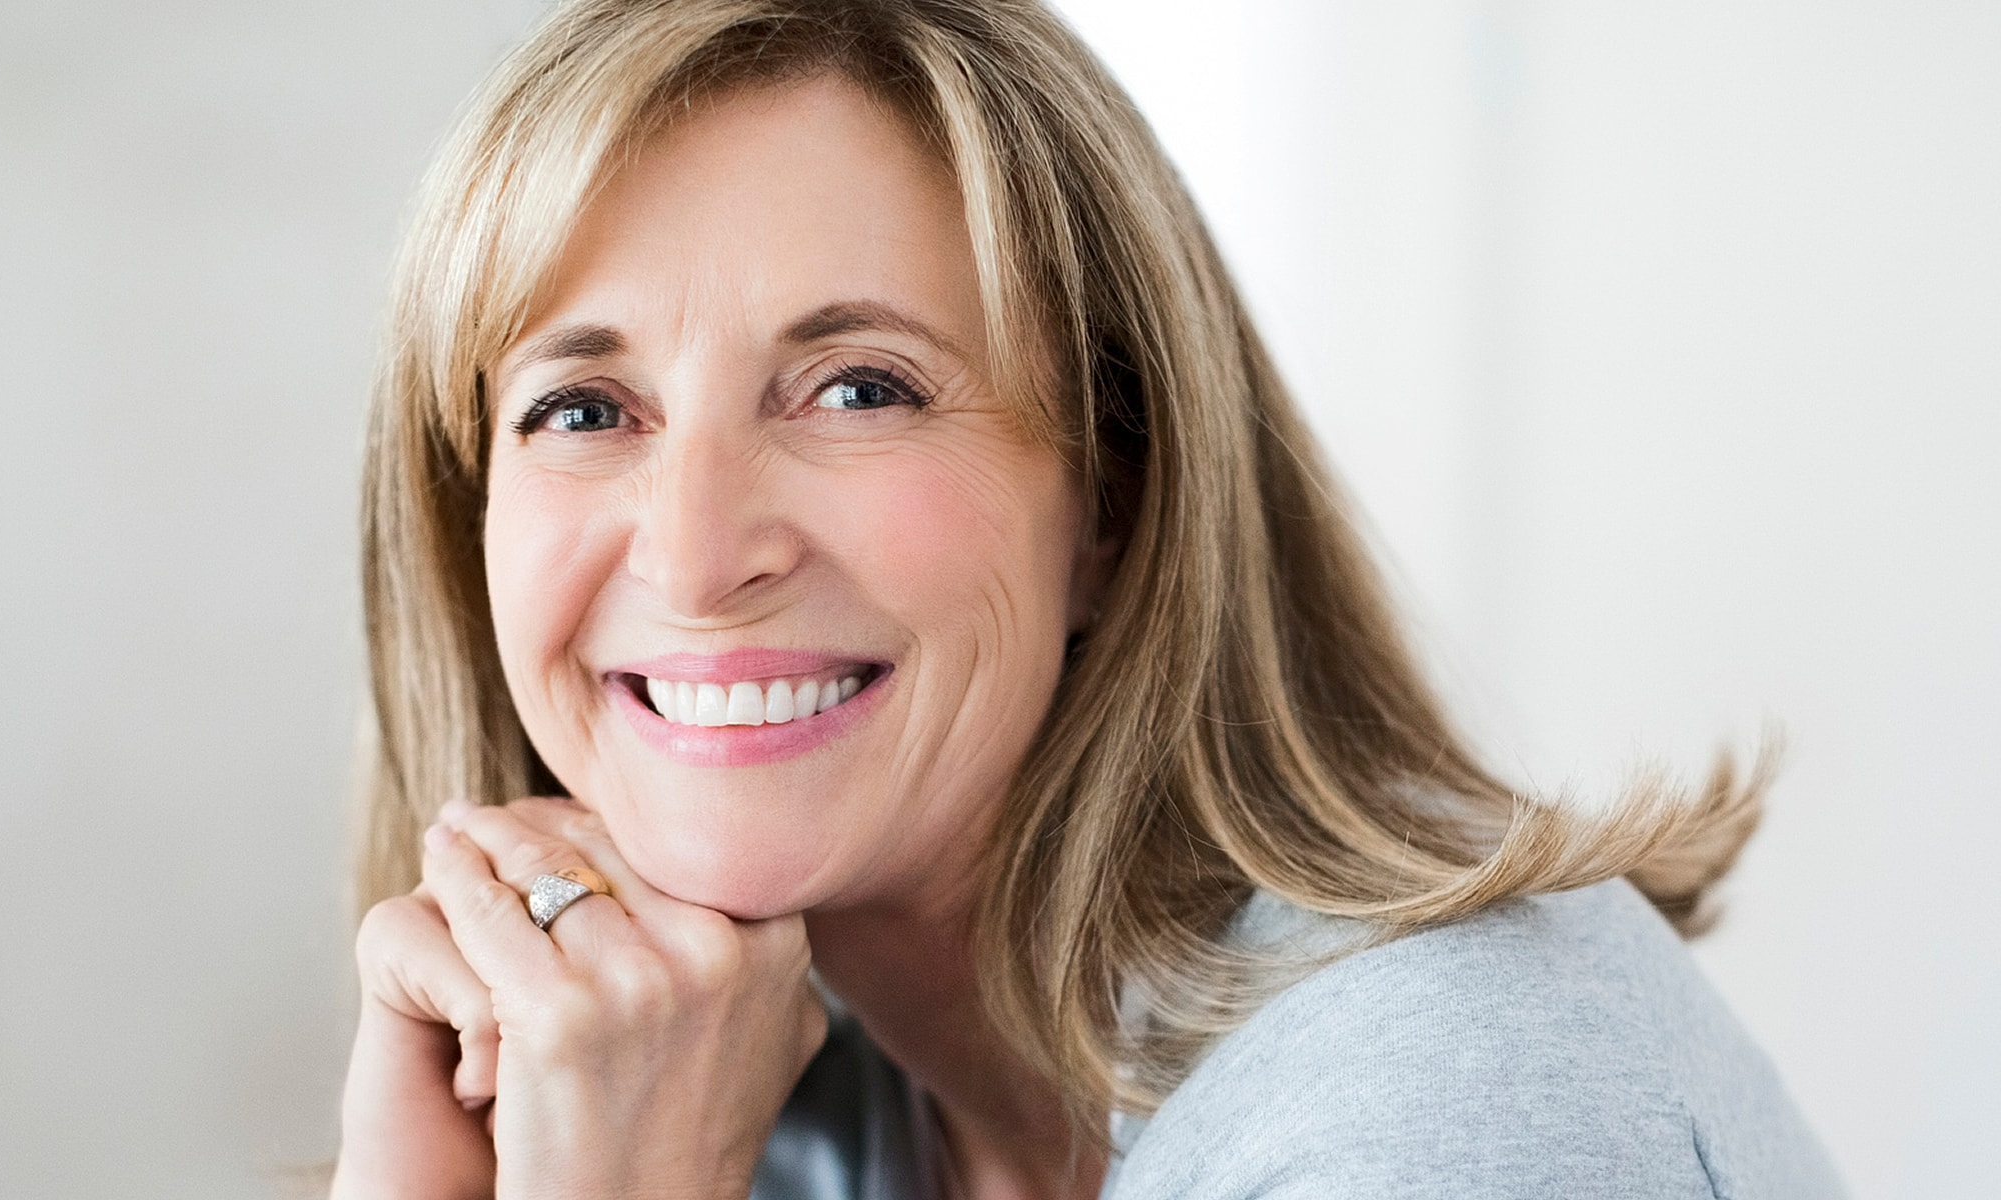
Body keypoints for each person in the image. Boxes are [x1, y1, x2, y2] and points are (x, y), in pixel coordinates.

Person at [330, 1, 1845, 1196]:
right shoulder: (697, 1066)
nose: (692, 552)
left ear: (1112, 503)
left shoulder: (1451, 1103)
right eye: (584, 410)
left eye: (860, 389)